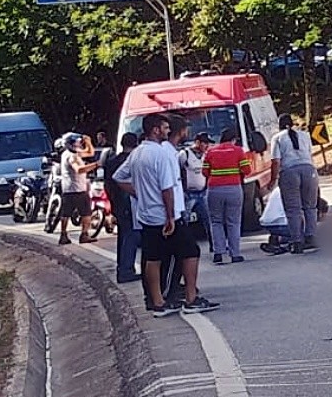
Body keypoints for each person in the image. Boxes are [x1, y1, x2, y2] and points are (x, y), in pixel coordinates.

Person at [114, 113, 218, 317]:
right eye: (164, 127)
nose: (167, 130)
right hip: (164, 214)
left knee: (152, 257)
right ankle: (190, 298)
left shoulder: (137, 153)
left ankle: (157, 302)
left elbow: (119, 177)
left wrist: (139, 193)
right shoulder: (160, 154)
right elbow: (167, 189)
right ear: (155, 130)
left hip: (146, 214)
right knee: (190, 251)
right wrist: (171, 216)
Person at [271, 114, 320, 255]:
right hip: (309, 170)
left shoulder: (278, 137)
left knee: (293, 209)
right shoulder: (305, 135)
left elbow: (276, 161)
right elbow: (310, 155)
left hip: (290, 172)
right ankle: (311, 237)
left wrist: (273, 179)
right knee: (310, 207)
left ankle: (297, 242)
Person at [203, 128, 253, 264]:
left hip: (214, 189)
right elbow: (247, 170)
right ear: (234, 139)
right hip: (233, 189)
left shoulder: (211, 151)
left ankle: (218, 253)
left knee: (216, 221)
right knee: (233, 222)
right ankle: (235, 254)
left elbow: (205, 172)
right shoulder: (238, 151)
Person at [104, 132, 141, 283]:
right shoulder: (131, 161)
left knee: (123, 236)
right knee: (131, 236)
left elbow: (107, 184)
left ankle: (123, 267)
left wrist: (112, 202)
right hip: (129, 203)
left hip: (117, 203)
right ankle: (126, 270)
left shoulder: (112, 161)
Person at [57, 134, 99, 245]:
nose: (79, 144)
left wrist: (88, 142)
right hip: (77, 189)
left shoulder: (70, 153)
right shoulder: (71, 156)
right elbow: (79, 170)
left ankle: (63, 234)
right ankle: (84, 234)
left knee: (66, 213)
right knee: (86, 213)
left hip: (69, 189)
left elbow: (90, 152)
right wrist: (95, 165)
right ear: (70, 144)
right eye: (77, 143)